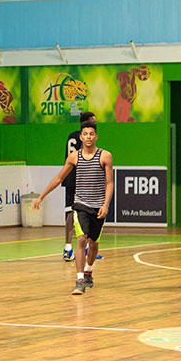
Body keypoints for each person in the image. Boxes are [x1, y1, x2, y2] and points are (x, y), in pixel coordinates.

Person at [33, 120, 113, 295]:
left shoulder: (105, 156)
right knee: (81, 239)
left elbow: (110, 182)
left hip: (98, 206)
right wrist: (41, 196)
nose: (88, 137)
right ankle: (79, 280)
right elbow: (58, 178)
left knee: (93, 244)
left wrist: (106, 204)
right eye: (85, 134)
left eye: (91, 134)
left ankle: (89, 271)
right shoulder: (74, 157)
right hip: (81, 204)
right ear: (80, 137)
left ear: (96, 136)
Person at [61, 111, 97, 261]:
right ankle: (78, 248)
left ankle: (69, 248)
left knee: (71, 211)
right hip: (79, 177)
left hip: (69, 177)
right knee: (84, 211)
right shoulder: (86, 137)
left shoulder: (71, 135)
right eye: (93, 121)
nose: (95, 123)